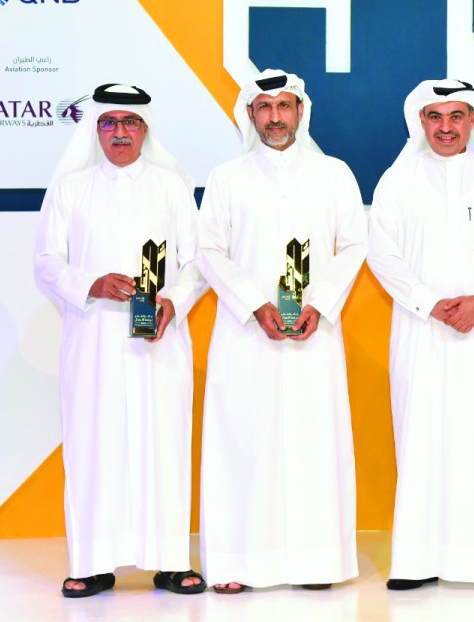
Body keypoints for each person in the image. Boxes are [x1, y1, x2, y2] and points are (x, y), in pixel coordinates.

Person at [196, 70, 367, 593]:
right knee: (243, 443)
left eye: (284, 106)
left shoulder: (334, 173)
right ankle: (236, 564)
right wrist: (254, 303)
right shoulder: (227, 177)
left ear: (301, 112)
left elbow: (355, 244)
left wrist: (318, 303)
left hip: (314, 332)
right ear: (250, 115)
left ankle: (316, 564)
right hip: (248, 333)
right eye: (264, 107)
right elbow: (209, 251)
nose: (274, 116)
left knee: (314, 442)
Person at [34, 83, 207, 598]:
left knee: (164, 444)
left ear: (145, 129)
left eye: (130, 123)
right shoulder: (70, 189)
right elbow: (46, 262)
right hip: (94, 342)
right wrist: (92, 283)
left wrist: (174, 300)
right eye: (109, 123)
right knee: (94, 444)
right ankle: (90, 562)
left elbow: (197, 261)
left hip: (159, 339)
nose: (120, 133)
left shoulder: (172, 187)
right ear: (96, 130)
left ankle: (170, 560)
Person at [368, 79, 474, 590]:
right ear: (420, 121)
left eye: (456, 116)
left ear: (472, 121)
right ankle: (417, 562)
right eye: (435, 117)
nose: (445, 127)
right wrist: (428, 302)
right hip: (422, 331)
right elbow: (382, 254)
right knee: (420, 437)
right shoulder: (396, 183)